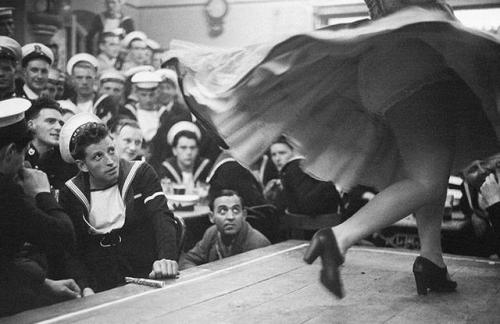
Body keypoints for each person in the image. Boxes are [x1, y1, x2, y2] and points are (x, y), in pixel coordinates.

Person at [170, 0, 500, 298]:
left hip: (380, 66)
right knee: (425, 179)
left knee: (430, 166)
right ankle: (339, 237)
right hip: (416, 62)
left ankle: (432, 259)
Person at [58, 113, 179, 294]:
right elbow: (72, 248)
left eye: (111, 150)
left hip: (147, 273)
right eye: (98, 156)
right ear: (83, 165)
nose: (110, 161)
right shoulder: (71, 192)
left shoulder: (140, 172)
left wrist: (167, 259)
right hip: (100, 281)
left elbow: (161, 216)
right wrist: (85, 287)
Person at [0, 98, 80, 316]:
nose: (24, 161)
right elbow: (63, 236)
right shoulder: (7, 193)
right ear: (9, 153)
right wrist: (43, 193)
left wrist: (44, 283)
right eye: (24, 152)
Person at [180, 189, 270, 269]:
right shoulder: (212, 233)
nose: (230, 217)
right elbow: (188, 260)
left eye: (235, 210)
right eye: (222, 211)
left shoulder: (257, 244)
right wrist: (202, 275)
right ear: (212, 217)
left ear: (244, 215)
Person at [25, 97, 78, 191]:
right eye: (50, 121)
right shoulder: (20, 158)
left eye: (61, 123)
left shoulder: (68, 162)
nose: (59, 127)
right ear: (31, 125)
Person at [154, 121, 211, 194]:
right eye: (183, 148)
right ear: (174, 150)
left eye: (192, 147)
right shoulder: (165, 170)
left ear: (197, 150)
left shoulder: (206, 168)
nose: (189, 152)